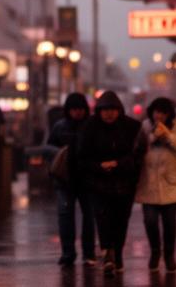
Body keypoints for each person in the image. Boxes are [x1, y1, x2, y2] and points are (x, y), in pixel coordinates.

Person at [73, 89, 142, 275]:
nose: (109, 114)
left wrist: (118, 164)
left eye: (112, 110)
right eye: (105, 110)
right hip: (98, 183)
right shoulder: (89, 128)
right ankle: (108, 254)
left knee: (121, 219)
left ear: (119, 110)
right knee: (103, 218)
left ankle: (117, 253)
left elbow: (137, 155)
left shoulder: (131, 127)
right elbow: (82, 157)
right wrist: (99, 166)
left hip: (124, 183)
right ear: (99, 111)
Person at [135, 96, 176, 271]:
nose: (159, 116)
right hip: (148, 183)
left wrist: (168, 136)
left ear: (169, 114)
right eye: (156, 112)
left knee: (169, 223)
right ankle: (155, 251)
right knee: (150, 221)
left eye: (163, 113)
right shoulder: (144, 129)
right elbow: (136, 150)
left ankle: (169, 255)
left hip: (171, 184)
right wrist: (151, 138)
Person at [46, 91, 95, 266]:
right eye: (74, 109)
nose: (77, 112)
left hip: (87, 179)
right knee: (66, 216)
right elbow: (49, 148)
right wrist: (61, 153)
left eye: (80, 109)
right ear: (68, 110)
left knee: (88, 217)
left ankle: (88, 253)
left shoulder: (91, 126)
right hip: (65, 179)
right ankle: (68, 253)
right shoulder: (60, 126)